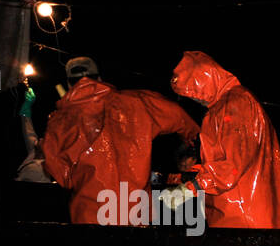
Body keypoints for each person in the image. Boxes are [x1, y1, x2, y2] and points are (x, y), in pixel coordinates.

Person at [41, 57, 199, 223]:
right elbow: (183, 120)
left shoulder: (60, 121)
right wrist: (190, 146)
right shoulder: (139, 102)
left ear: (68, 84)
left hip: (92, 217)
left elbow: (62, 176)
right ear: (100, 79)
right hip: (137, 214)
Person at [169, 51, 280, 229]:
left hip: (243, 217)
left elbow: (232, 165)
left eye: (193, 94)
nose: (194, 100)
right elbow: (230, 159)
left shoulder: (234, 104)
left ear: (204, 85)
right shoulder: (230, 103)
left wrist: (191, 188)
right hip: (243, 213)